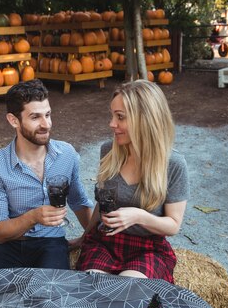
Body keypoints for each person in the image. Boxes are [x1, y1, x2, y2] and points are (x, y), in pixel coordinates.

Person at [0, 79, 93, 269]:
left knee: (51, 292)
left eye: (48, 115)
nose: (46, 124)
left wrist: (90, 239)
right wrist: (33, 217)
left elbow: (79, 202)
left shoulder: (67, 155)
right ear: (13, 120)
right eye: (35, 117)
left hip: (52, 244)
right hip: (10, 246)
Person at [76, 80, 189, 284]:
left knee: (130, 292)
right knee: (92, 289)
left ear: (144, 119)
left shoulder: (173, 164)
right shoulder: (108, 151)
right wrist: (84, 237)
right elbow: (102, 204)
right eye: (112, 115)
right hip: (106, 243)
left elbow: (173, 225)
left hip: (148, 248)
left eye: (120, 117)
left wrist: (139, 216)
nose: (112, 124)